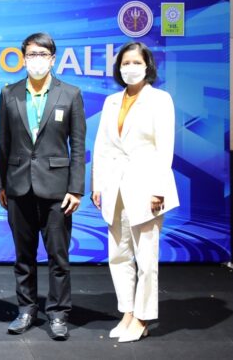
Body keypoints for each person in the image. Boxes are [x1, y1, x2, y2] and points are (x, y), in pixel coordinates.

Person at [0, 32, 86, 340]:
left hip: (57, 190)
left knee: (58, 257)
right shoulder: (9, 93)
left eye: (42, 55)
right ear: (23, 58)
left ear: (53, 59)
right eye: (31, 54)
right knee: (24, 256)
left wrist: (76, 188)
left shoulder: (70, 94)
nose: (37, 60)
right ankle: (26, 309)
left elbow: (78, 145)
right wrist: (2, 184)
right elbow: (4, 142)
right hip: (18, 185)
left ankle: (58, 313)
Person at [91, 41, 178, 343]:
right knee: (118, 254)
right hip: (114, 186)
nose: (130, 68)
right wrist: (97, 184)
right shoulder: (112, 101)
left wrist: (159, 189)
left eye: (136, 63)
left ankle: (142, 318)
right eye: (125, 63)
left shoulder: (160, 99)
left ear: (147, 66)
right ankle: (127, 312)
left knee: (146, 257)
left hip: (147, 187)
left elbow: (164, 148)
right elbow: (102, 146)